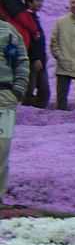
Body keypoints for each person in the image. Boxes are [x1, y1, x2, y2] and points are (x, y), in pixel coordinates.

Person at [0, 16, 29, 199]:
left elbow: (22, 60)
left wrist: (18, 90)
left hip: (5, 95)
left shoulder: (9, 30)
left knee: (2, 146)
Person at [11, 0, 49, 108]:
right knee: (29, 90)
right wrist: (35, 58)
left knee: (44, 91)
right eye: (37, 0)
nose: (40, 3)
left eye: (41, 1)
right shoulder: (27, 18)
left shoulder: (34, 16)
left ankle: (37, 112)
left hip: (39, 60)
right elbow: (29, 41)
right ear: (29, 2)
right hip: (31, 61)